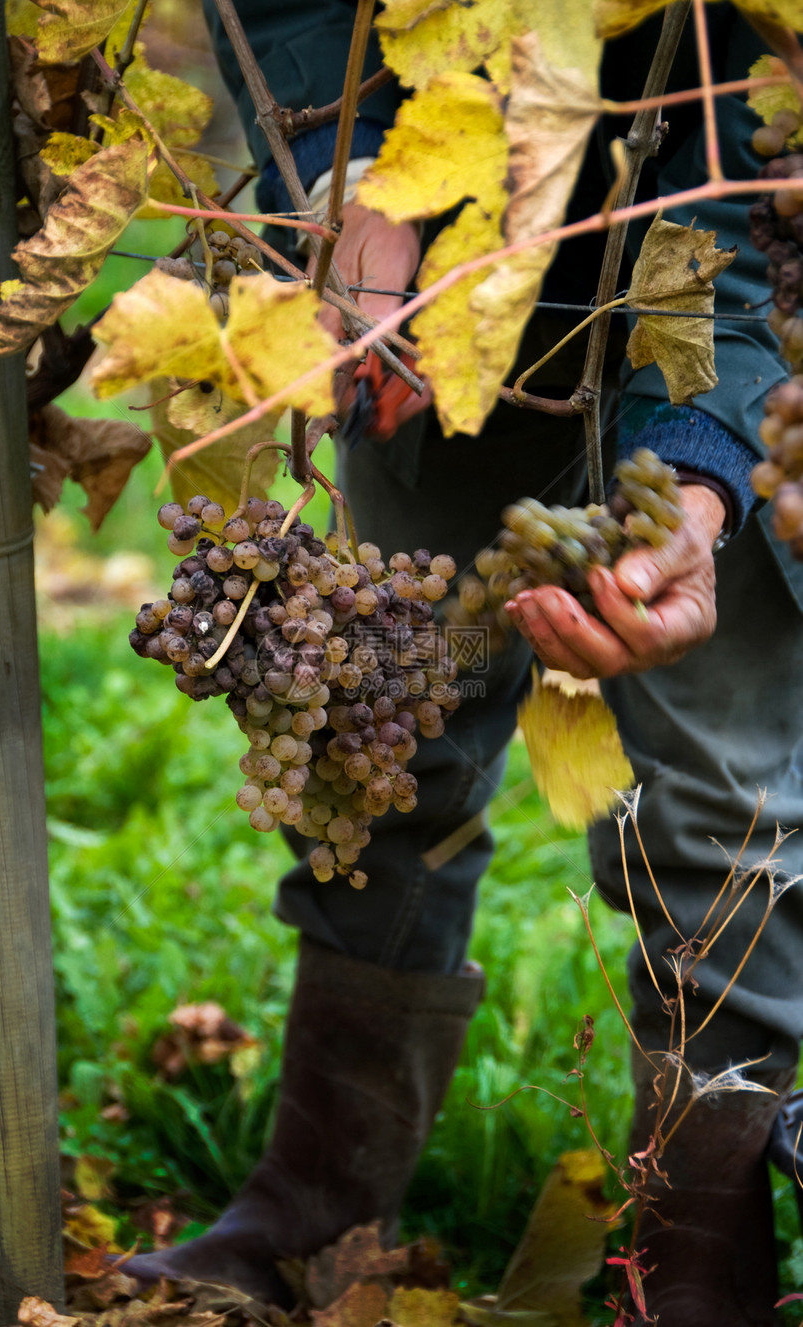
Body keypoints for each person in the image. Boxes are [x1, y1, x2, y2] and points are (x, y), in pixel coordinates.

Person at [125, 5, 803, 1323]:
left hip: (701, 261)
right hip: (433, 300)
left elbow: (737, 186)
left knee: (721, 820)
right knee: (383, 724)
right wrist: (352, 179)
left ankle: (696, 1265)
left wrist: (706, 484)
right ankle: (313, 1211)